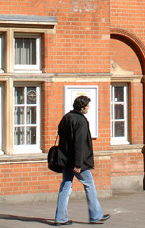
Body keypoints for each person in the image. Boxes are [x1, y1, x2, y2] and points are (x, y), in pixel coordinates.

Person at [54, 95, 110, 226]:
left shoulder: (66, 117)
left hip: (65, 159)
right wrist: (78, 164)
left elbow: (61, 135)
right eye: (88, 106)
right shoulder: (81, 121)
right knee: (89, 185)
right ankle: (95, 215)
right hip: (76, 162)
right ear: (82, 107)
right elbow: (79, 144)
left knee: (66, 186)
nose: (89, 108)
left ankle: (60, 218)